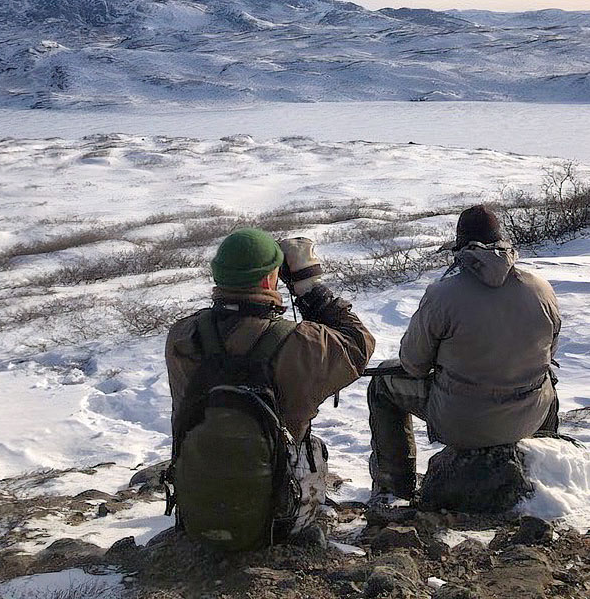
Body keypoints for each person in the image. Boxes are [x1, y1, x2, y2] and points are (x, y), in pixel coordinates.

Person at [165, 228, 375, 546]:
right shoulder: (301, 343)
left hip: (197, 512)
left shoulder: (182, 337)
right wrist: (309, 287)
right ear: (268, 280)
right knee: (310, 445)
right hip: (278, 521)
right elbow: (358, 343)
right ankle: (308, 518)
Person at [367, 205, 561, 501]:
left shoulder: (442, 294)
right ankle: (550, 474)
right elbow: (548, 353)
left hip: (463, 423)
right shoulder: (541, 289)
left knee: (382, 385)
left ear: (460, 248)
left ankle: (395, 489)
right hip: (529, 417)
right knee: (546, 382)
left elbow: (414, 364)